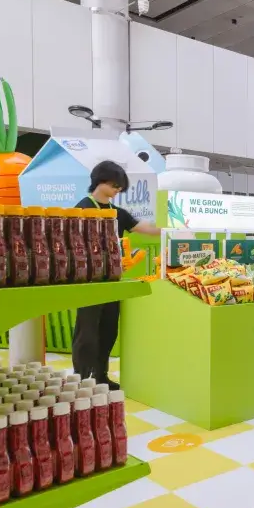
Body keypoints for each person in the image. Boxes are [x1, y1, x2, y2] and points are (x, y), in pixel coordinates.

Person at [71, 161, 161, 390]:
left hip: (113, 280)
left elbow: (146, 228)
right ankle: (81, 378)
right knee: (86, 332)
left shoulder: (119, 213)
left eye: (120, 186)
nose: (118, 190)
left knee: (109, 330)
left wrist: (174, 230)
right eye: (115, 185)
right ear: (100, 181)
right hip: (89, 282)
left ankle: (101, 375)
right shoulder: (82, 209)